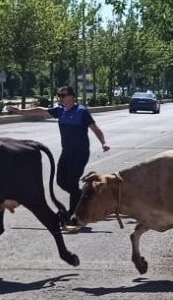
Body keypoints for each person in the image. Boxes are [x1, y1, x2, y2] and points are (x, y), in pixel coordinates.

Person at [22, 86, 109, 225]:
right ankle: (81, 197)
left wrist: (103, 142)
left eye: (63, 95)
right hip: (66, 153)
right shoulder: (60, 111)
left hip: (80, 154)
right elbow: (42, 111)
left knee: (72, 182)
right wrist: (20, 111)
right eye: (59, 95)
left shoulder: (81, 112)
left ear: (72, 96)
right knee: (61, 181)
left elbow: (95, 128)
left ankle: (72, 213)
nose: (61, 98)